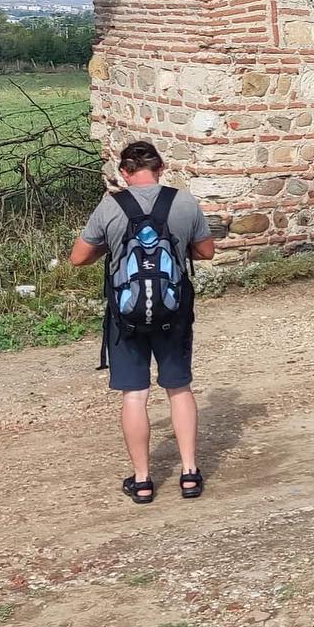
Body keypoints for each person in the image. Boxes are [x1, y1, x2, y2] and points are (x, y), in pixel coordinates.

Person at [70, 141, 216, 504]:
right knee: (178, 388)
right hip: (174, 312)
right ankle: (189, 474)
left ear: (124, 173)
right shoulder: (183, 202)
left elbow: (78, 258)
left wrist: (111, 246)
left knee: (135, 394)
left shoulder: (110, 206)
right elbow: (206, 251)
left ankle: (143, 480)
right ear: (161, 168)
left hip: (126, 316)